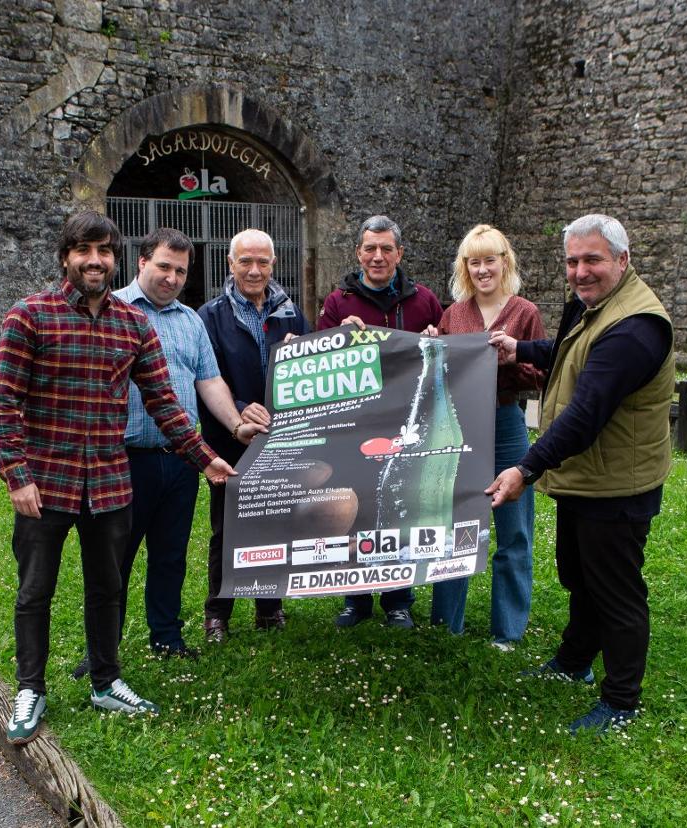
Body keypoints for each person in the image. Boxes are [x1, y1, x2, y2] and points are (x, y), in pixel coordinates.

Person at [0, 210, 237, 746]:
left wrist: (202, 456)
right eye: (84, 251)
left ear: (115, 259)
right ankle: (30, 688)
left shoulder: (134, 326)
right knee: (35, 590)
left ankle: (106, 680)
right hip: (45, 483)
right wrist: (17, 474)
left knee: (106, 588)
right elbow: (3, 402)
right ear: (66, 257)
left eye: (103, 252)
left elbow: (165, 404)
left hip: (107, 481)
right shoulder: (30, 315)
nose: (95, 261)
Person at [486, 213, 673, 734]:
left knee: (615, 592)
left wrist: (525, 467)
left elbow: (586, 412)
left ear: (622, 260)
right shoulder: (593, 307)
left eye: (592, 259)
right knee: (581, 578)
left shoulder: (635, 329)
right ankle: (573, 663)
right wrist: (520, 348)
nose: (580, 271)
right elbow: (568, 352)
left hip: (617, 485)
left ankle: (621, 701)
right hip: (586, 480)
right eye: (572, 261)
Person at [65, 228, 262, 673]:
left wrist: (234, 425)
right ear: (141, 263)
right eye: (164, 267)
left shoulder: (190, 321)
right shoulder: (110, 310)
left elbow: (209, 381)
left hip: (178, 459)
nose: (172, 278)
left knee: (170, 555)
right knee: (113, 560)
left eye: (181, 271)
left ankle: (167, 637)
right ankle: (102, 649)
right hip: (121, 458)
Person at [317, 214, 443, 629]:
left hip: (407, 421)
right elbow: (319, 363)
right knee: (359, 504)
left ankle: (398, 598)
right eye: (370, 248)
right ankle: (356, 598)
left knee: (399, 505)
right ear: (358, 253)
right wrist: (336, 337)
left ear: (399, 254)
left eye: (386, 248)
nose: (378, 256)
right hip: (357, 422)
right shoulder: (338, 302)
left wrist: (435, 339)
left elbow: (442, 358)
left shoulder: (424, 300)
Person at [427, 225, 544, 649]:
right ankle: (446, 623)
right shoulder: (454, 314)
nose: (482, 270)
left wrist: (511, 358)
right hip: (459, 426)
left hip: (506, 421)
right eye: (473, 262)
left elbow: (540, 373)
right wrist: (432, 346)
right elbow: (440, 371)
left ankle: (507, 631)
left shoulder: (524, 311)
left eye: (489, 260)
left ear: (504, 262)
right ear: (465, 268)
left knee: (514, 530)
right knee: (453, 523)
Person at [198, 228, 310, 643]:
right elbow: (207, 376)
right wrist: (242, 406)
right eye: (245, 261)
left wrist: (312, 347)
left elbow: (316, 366)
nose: (254, 269)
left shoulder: (290, 314)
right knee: (226, 528)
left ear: (274, 264)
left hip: (280, 439)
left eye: (263, 261)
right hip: (229, 439)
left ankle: (269, 607)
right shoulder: (209, 316)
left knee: (275, 521)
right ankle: (218, 613)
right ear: (230, 264)